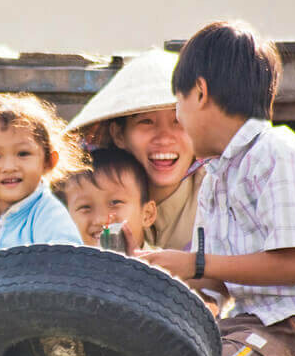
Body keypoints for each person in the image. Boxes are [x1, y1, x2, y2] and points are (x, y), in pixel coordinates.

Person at [137, 21, 295, 356]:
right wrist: (159, 277)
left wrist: (193, 263)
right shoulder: (214, 178)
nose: (178, 118)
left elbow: (291, 265)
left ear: (199, 92)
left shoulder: (278, 154)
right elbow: (214, 283)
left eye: (177, 104)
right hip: (249, 325)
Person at [66, 49, 203, 251]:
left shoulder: (217, 195)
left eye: (179, 121)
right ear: (119, 135)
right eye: (146, 122)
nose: (164, 138)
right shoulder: (83, 186)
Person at [0, 93, 85, 283]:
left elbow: (68, 273)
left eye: (23, 153)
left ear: (48, 161)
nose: (9, 166)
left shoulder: (48, 215)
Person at [57, 147, 157, 254]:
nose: (101, 219)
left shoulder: (164, 267)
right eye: (85, 207)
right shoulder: (61, 267)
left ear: (147, 214)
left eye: (115, 202)